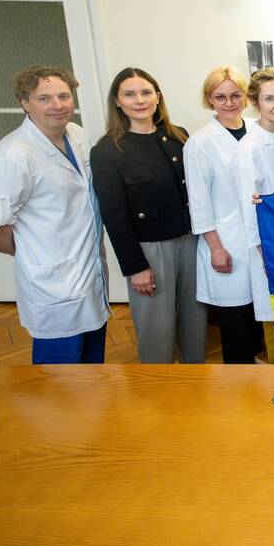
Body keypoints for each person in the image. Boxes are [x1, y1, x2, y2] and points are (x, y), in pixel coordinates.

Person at [0, 66, 109, 364]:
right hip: (53, 284)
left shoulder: (77, 134)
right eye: (44, 98)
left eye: (63, 96)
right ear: (25, 103)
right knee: (56, 377)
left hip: (89, 273)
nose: (57, 105)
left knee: (93, 370)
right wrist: (32, 250)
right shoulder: (13, 154)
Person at [91, 67, 205, 364]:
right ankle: (157, 386)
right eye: (129, 94)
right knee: (156, 331)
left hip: (190, 242)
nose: (139, 100)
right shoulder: (107, 151)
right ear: (117, 101)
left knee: (195, 325)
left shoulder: (178, 136)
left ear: (158, 96)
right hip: (150, 251)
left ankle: (196, 383)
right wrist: (135, 267)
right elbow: (114, 216)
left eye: (146, 92)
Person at [184, 65, 261, 364]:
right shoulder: (200, 142)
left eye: (236, 95)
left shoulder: (258, 129)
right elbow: (199, 202)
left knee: (260, 319)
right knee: (235, 322)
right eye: (220, 97)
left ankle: (263, 377)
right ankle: (239, 383)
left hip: (260, 237)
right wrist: (216, 248)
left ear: (246, 96)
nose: (229, 103)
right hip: (227, 240)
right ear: (209, 99)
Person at [235, 67, 274, 364]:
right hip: (270, 245)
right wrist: (264, 254)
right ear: (255, 102)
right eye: (270, 98)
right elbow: (249, 208)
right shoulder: (249, 148)